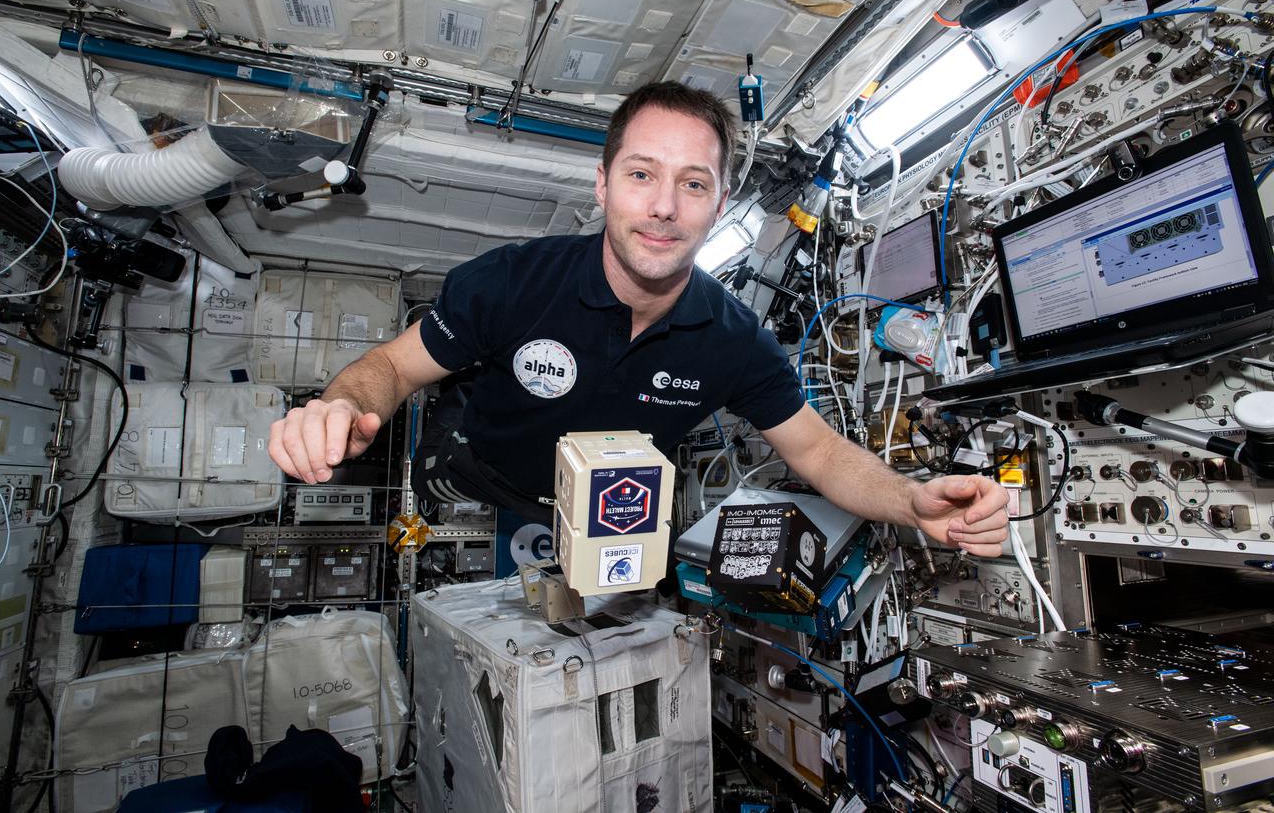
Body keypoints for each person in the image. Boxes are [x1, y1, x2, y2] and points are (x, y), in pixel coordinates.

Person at [268, 81, 1009, 557]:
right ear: (603, 185)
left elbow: (818, 452)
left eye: (694, 184)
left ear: (719, 205)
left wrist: (911, 501)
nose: (663, 207)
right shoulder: (512, 282)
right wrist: (342, 405)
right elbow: (392, 366)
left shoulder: (735, 340)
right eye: (641, 174)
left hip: (606, 513)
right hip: (484, 472)